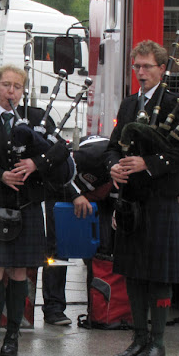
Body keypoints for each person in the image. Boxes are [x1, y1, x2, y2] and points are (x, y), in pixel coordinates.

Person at [0, 64, 71, 356]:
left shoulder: (36, 118)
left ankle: (13, 334)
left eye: (17, 87)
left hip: (26, 205)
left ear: (23, 91)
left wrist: (36, 164)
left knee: (20, 271)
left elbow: (61, 150)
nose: (11, 91)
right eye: (6, 85)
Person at [106, 40, 179, 356]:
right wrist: (113, 166)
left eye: (146, 66)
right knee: (133, 273)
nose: (140, 72)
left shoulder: (175, 105)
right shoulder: (129, 105)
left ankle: (157, 343)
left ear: (161, 68)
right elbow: (113, 146)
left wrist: (148, 163)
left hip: (160, 200)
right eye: (137, 67)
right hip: (132, 201)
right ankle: (138, 340)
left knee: (158, 275)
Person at [43, 135, 113, 326]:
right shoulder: (94, 155)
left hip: (97, 197)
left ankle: (98, 308)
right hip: (61, 188)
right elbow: (59, 167)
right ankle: (53, 308)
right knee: (58, 249)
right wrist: (75, 196)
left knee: (101, 250)